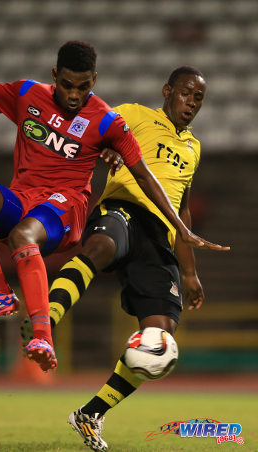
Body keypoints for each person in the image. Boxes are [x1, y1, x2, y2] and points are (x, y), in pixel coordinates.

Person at [0, 9, 221, 374]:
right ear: (55, 76)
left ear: (94, 81)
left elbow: (145, 175)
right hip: (23, 199)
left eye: (83, 87)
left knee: (24, 235)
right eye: (67, 85)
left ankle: (42, 335)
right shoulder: (27, 94)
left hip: (64, 209)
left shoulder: (106, 120)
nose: (74, 94)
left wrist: (180, 226)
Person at [21, 66, 230, 449]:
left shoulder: (193, 148)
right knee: (100, 248)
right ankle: (45, 322)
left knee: (161, 335)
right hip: (123, 208)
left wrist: (190, 272)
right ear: (167, 91)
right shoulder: (134, 114)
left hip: (159, 238)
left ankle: (91, 413)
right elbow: (93, 131)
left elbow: (181, 210)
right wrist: (108, 149)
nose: (192, 103)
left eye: (198, 98)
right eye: (186, 93)